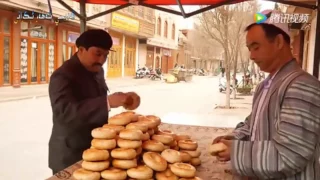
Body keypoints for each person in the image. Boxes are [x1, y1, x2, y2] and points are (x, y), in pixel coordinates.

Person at [213, 9, 320, 179]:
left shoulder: (301, 86)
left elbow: (289, 155)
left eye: (256, 47)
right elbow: (252, 124)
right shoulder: (265, 85)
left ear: (278, 42)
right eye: (249, 49)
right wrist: (234, 138)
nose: (251, 56)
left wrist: (236, 151)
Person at [48, 29, 135, 174]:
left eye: (106, 55)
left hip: (97, 147)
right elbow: (64, 112)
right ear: (81, 50)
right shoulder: (62, 75)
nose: (101, 60)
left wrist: (123, 99)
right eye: (98, 53)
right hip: (71, 152)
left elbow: (97, 97)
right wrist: (107, 102)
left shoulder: (97, 70)